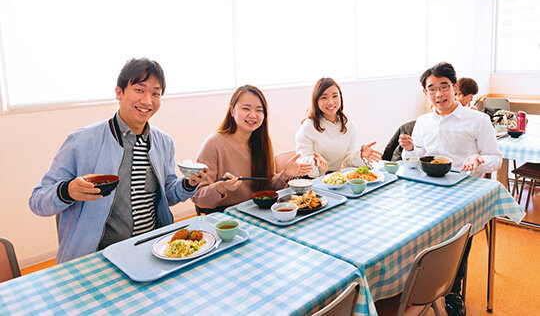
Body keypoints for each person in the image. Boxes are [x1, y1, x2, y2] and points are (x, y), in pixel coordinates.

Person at [29, 58, 205, 263]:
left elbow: (168, 196)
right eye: (139, 90)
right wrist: (68, 190)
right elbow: (37, 201)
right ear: (119, 92)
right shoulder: (82, 141)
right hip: (98, 257)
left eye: (156, 93)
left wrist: (188, 183)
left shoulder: (163, 142)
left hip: (152, 250)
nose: (148, 101)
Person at [399, 62, 502, 316]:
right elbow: (418, 158)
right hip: (428, 190)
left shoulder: (478, 120)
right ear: (425, 93)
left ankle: (453, 290)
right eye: (431, 89)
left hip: (465, 190)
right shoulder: (423, 122)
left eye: (444, 87)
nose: (438, 95)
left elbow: (495, 158)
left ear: (455, 87)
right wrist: (411, 149)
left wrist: (479, 159)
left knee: (457, 235)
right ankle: (415, 286)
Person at [192, 85, 312, 214]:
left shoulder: (260, 142)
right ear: (232, 111)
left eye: (259, 110)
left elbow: (268, 185)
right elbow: (198, 197)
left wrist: (285, 175)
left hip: (255, 211)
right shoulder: (213, 143)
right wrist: (221, 187)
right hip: (224, 216)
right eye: (246, 108)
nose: (253, 115)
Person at [295, 77, 382, 178]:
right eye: (324, 97)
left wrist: (360, 155)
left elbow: (347, 161)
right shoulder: (308, 126)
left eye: (335, 96)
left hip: (335, 180)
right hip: (310, 181)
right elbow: (300, 160)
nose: (331, 102)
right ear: (316, 101)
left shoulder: (349, 126)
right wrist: (314, 161)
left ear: (340, 98)